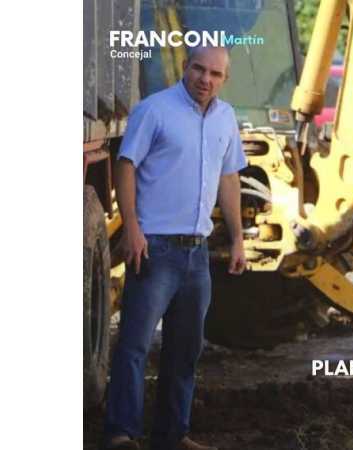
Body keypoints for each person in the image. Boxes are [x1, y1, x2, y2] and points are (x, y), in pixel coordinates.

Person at [103, 46, 247, 450]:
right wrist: (131, 228)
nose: (206, 79)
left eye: (215, 74)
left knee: (185, 350)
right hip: (155, 248)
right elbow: (125, 165)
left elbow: (229, 178)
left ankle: (172, 435)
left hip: (197, 253)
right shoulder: (155, 110)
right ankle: (121, 433)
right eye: (199, 69)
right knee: (134, 345)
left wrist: (237, 238)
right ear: (185, 67)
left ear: (224, 79)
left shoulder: (226, 118)